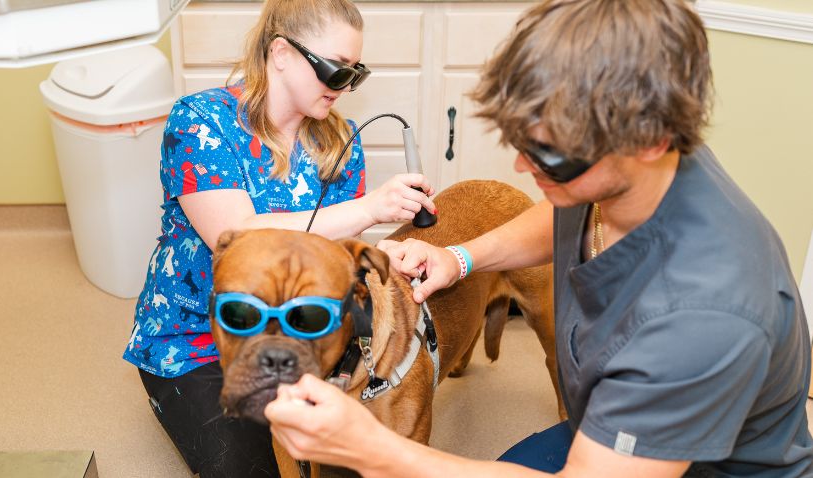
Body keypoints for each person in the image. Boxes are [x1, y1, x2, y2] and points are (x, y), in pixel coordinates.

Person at [263, 1, 813, 477]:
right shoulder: (638, 167)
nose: (524, 166)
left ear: (651, 138)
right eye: (520, 141)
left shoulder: (703, 314)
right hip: (610, 423)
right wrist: (460, 258)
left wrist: (372, 447)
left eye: (548, 154)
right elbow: (561, 211)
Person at [121, 0, 436, 476]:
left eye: (356, 73)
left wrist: (375, 254)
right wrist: (368, 208)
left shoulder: (340, 142)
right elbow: (237, 234)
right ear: (282, 53)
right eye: (335, 69)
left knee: (352, 458)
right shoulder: (201, 121)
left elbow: (324, 256)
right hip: (199, 342)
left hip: (301, 328)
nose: (345, 86)